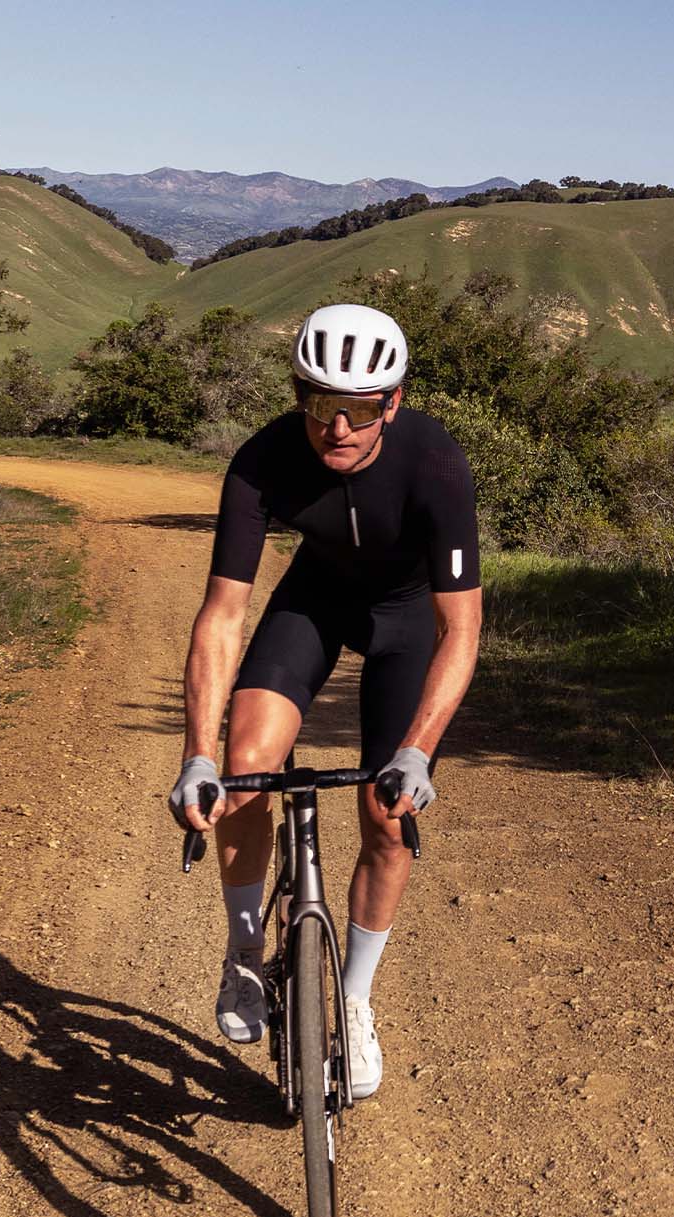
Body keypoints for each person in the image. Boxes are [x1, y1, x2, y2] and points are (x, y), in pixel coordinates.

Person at [167, 304, 481, 1102]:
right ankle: (245, 953)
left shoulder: (435, 463)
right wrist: (195, 753)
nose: (337, 428)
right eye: (318, 404)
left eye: (362, 409)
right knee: (244, 769)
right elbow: (223, 616)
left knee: (387, 810)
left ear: (394, 402)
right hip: (314, 603)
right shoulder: (264, 460)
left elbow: (460, 628)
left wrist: (419, 747)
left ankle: (355, 998)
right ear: (296, 394)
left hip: (408, 618)